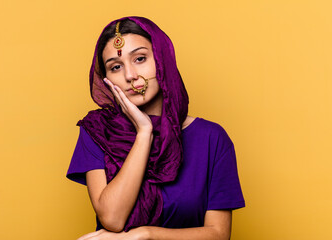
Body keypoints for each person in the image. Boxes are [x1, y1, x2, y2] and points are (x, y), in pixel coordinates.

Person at [66, 16, 245, 240]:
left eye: (140, 58)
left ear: (162, 60)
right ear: (106, 80)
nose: (130, 76)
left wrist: (146, 234)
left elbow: (219, 234)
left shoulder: (211, 138)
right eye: (116, 67)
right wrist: (144, 132)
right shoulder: (97, 132)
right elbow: (112, 218)